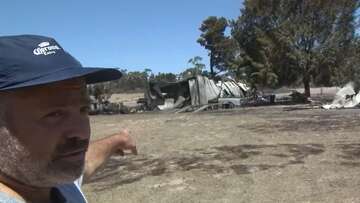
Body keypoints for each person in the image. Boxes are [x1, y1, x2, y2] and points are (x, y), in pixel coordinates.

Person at [0, 35, 137, 203]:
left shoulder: (51, 178)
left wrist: (118, 140)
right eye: (54, 114)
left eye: (83, 109)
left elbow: (86, 163)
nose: (82, 133)